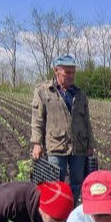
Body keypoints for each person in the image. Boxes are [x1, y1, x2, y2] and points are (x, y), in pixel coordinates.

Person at [30, 54, 95, 204]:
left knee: (77, 183)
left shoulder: (80, 95)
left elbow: (87, 121)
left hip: (79, 146)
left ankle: (71, 214)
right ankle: (54, 215)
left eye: (73, 72)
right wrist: (37, 144)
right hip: (55, 144)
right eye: (67, 72)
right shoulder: (43, 91)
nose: (71, 76)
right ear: (56, 71)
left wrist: (90, 145)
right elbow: (37, 119)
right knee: (54, 183)